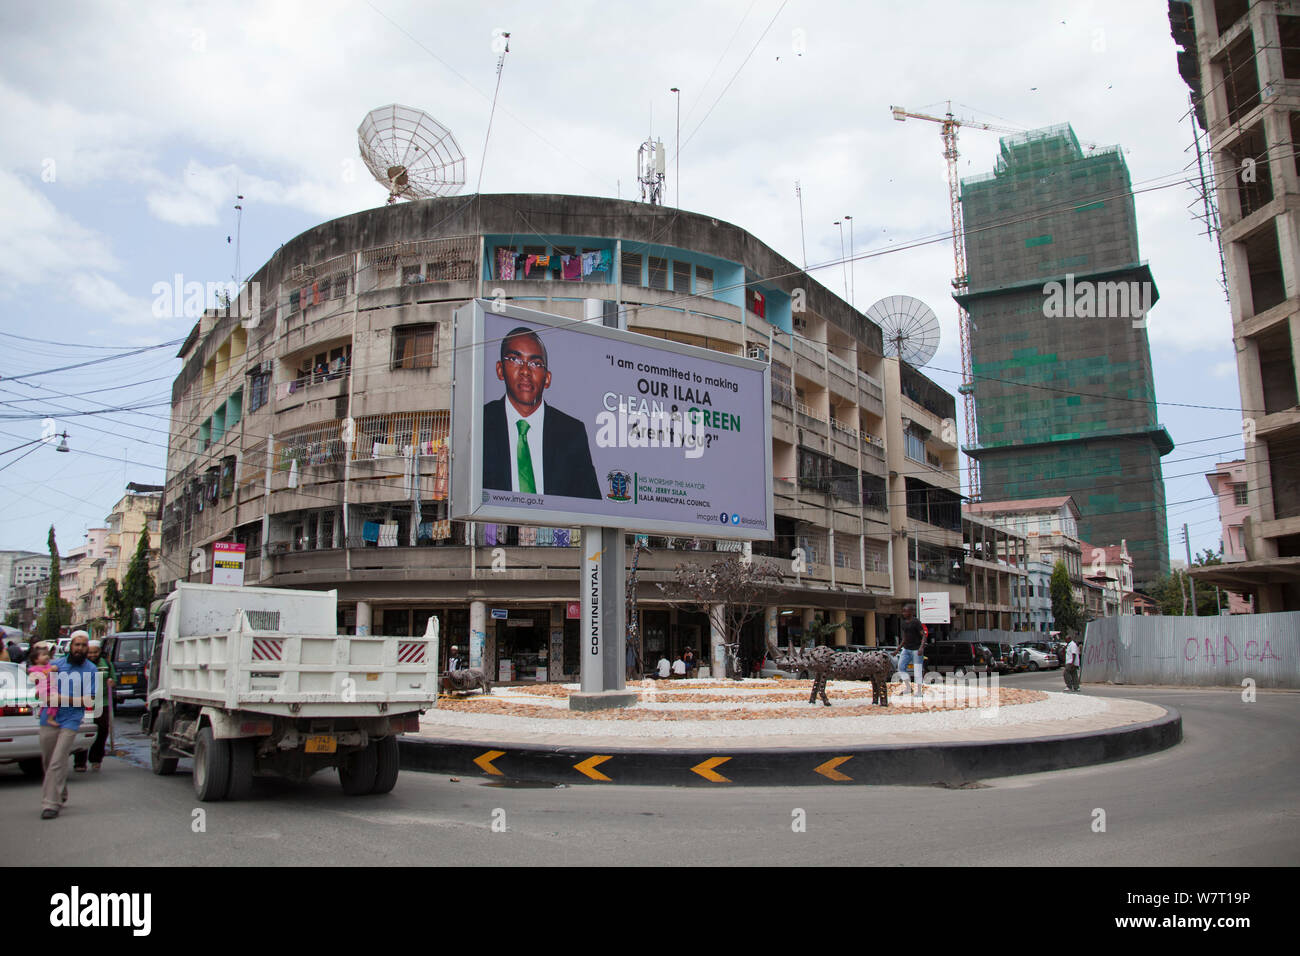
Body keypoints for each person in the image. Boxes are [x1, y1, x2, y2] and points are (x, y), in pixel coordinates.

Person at [482, 327, 601, 499]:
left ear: (547, 378)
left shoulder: (571, 431)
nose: (525, 371)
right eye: (515, 359)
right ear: (500, 370)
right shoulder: (481, 421)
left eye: (535, 364)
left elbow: (591, 503)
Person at [38, 631, 97, 820]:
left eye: (83, 645)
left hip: (71, 719)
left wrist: (63, 699)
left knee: (57, 760)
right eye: (77, 645)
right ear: (70, 646)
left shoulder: (91, 669)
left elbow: (89, 699)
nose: (80, 649)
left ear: (87, 648)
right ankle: (60, 791)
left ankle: (50, 804)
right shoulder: (56, 665)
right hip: (49, 717)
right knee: (48, 760)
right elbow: (40, 689)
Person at [74, 640, 114, 772]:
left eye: (95, 652)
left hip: (102, 703)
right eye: (90, 652)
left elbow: (114, 679)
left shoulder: (106, 663)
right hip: (84, 703)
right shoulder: (80, 664)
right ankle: (80, 761)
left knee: (102, 731)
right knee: (84, 731)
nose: (92, 655)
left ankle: (96, 759)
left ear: (99, 652)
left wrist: (111, 682)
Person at [898, 604, 926, 699]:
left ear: (911, 612)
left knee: (917, 670)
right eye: (903, 611)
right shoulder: (903, 623)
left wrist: (921, 647)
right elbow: (905, 638)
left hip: (916, 649)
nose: (904, 613)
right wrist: (898, 649)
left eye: (905, 611)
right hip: (906, 648)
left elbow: (923, 635)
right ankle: (908, 687)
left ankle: (919, 691)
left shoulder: (916, 622)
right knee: (901, 667)